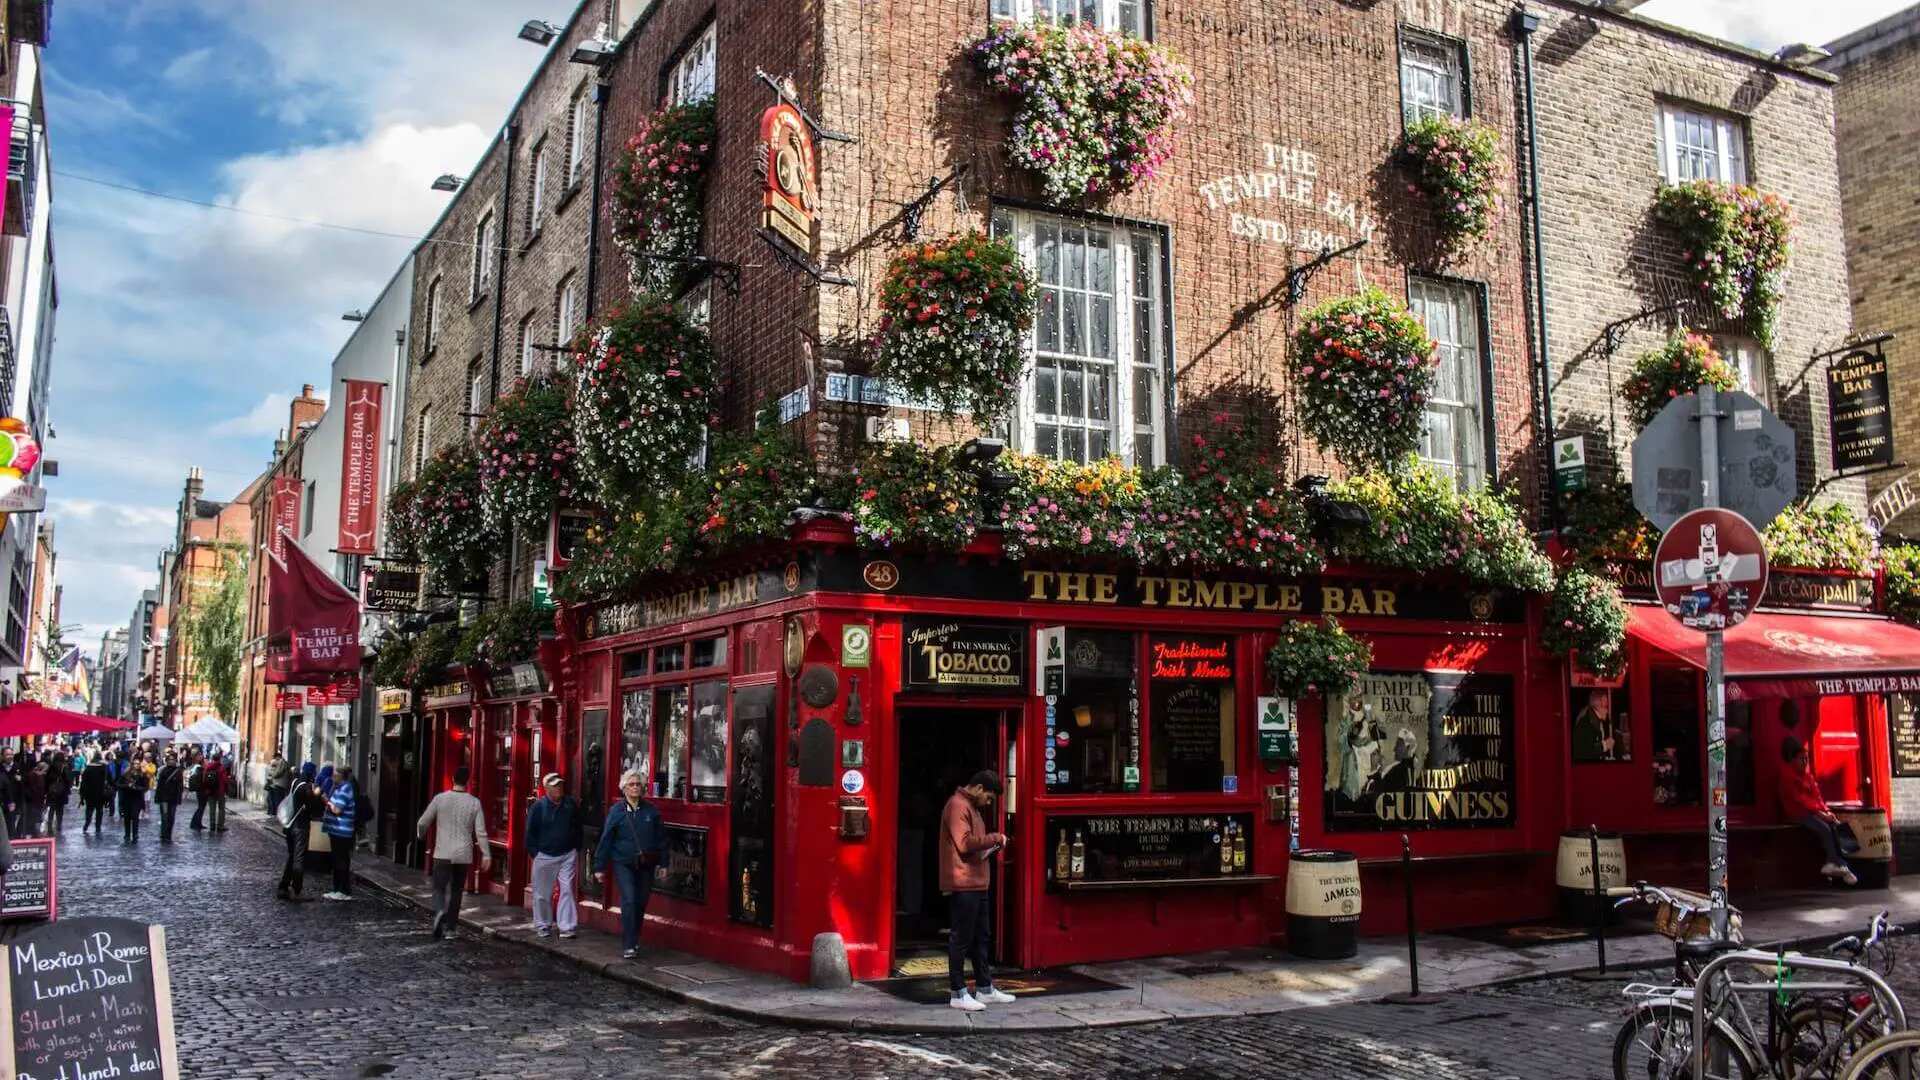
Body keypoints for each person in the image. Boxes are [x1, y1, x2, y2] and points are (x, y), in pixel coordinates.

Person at [940, 770, 1014, 1012]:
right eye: (990, 797)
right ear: (980, 788)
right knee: (962, 938)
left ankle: (984, 987)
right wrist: (994, 838)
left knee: (982, 937)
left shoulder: (971, 807)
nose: (989, 802)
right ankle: (958, 992)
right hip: (964, 882)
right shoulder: (957, 805)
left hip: (977, 882)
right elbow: (964, 843)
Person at [594, 769, 665, 960]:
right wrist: (599, 866)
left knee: (640, 903)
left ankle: (634, 939)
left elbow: (661, 840)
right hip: (623, 863)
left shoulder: (652, 811)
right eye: (631, 784)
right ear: (624, 788)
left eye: (638, 784)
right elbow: (606, 838)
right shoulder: (616, 811)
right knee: (630, 900)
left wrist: (664, 864)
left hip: (646, 864)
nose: (635, 788)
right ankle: (628, 944)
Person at [417, 766, 490, 939]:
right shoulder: (474, 803)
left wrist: (420, 835)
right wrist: (486, 853)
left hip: (443, 852)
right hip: (464, 854)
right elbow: (480, 832)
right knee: (457, 891)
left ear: (452, 779)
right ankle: (451, 929)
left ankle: (440, 911)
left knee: (439, 888)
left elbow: (422, 822)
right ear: (468, 782)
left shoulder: (440, 799)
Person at [1779, 736, 1857, 885]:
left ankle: (1835, 863)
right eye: (1801, 759)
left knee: (1834, 826)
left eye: (1806, 759)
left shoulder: (1808, 777)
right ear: (1793, 760)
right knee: (1825, 829)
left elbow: (1817, 797)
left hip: (1811, 812)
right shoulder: (1787, 775)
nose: (1805, 762)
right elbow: (1799, 800)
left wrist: (1826, 812)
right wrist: (1819, 813)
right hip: (1797, 813)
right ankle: (1841, 866)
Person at [524, 773, 581, 939]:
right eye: (555, 785)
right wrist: (536, 853)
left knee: (567, 890)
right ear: (546, 788)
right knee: (542, 893)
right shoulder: (539, 807)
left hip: (567, 854)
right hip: (545, 855)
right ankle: (543, 925)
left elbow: (577, 826)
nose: (559, 788)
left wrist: (576, 847)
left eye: (560, 785)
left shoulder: (569, 804)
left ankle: (567, 927)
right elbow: (530, 833)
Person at [278, 763, 324, 901]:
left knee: (292, 856)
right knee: (299, 858)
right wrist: (317, 794)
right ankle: (297, 891)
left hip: (289, 825)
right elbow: (313, 806)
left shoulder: (294, 782)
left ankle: (283, 887)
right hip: (300, 827)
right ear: (311, 774)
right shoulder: (305, 787)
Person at [320, 766, 360, 900]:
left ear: (341, 776)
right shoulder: (339, 788)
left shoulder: (345, 789)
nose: (332, 777)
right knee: (337, 860)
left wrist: (327, 801)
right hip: (337, 830)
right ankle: (338, 889)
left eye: (335, 775)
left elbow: (337, 810)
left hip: (342, 831)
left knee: (341, 860)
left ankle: (343, 890)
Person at [116, 753, 150, 844]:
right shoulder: (126, 774)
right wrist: (127, 786)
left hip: (137, 799)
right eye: (135, 763)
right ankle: (127, 834)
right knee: (127, 817)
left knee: (135, 817)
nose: (136, 765)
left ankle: (135, 834)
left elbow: (146, 787)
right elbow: (119, 784)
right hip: (127, 798)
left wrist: (137, 788)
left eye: (138, 764)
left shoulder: (143, 775)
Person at [154, 751, 185, 843]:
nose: (171, 761)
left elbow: (180, 786)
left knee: (171, 816)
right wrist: (157, 798)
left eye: (173, 760)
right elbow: (159, 786)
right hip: (164, 797)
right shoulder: (163, 771)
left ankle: (168, 835)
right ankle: (164, 834)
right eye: (170, 760)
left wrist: (179, 798)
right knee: (164, 816)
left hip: (173, 798)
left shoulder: (178, 772)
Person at [78, 751, 109, 835]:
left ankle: (87, 824)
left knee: (89, 809)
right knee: (99, 810)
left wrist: (82, 794)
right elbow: (109, 780)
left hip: (89, 793)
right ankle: (98, 827)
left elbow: (83, 783)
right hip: (100, 793)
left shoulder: (88, 768)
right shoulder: (104, 768)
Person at [192, 752, 224, 832]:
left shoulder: (208, 767)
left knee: (211, 809)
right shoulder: (221, 768)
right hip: (219, 791)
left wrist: (206, 788)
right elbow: (224, 780)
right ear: (219, 759)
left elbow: (204, 779)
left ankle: (212, 825)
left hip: (209, 791)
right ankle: (220, 826)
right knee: (221, 809)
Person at [43, 751, 70, 834]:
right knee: (60, 810)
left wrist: (47, 789)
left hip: (52, 791)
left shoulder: (51, 766)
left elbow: (47, 779)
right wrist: (67, 789)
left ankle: (50, 826)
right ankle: (59, 825)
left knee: (52, 809)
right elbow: (68, 779)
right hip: (61, 791)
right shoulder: (64, 767)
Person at [19, 754, 45, 838]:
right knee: (32, 819)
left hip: (33, 802)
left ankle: (30, 833)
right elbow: (37, 790)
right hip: (34, 802)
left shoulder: (33, 775)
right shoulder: (35, 776)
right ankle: (31, 834)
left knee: (31, 819)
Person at [264, 753, 292, 819]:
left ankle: (278, 814)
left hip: (279, 784)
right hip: (278, 784)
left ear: (277, 757)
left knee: (278, 800)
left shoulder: (282, 762)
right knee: (275, 800)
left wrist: (272, 776)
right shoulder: (281, 763)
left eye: (275, 758)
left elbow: (278, 773)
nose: (275, 760)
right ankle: (276, 814)